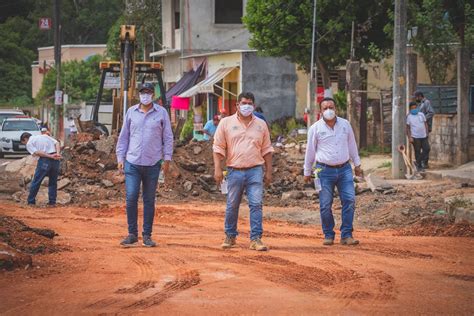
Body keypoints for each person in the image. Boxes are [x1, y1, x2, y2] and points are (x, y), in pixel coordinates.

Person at [213, 92, 274, 251]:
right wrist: (218, 169)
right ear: (237, 105)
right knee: (232, 205)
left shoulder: (261, 124)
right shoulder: (226, 123)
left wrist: (268, 171)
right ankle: (230, 235)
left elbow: (267, 149)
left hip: (255, 170)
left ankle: (256, 239)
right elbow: (218, 147)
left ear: (253, 105)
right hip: (234, 170)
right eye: (244, 103)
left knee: (256, 204)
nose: (247, 106)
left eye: (250, 103)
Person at [116, 82, 174, 248]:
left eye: (149, 92)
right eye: (143, 92)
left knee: (149, 200)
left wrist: (167, 159)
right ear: (139, 94)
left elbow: (168, 137)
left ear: (153, 94)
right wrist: (120, 157)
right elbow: (124, 136)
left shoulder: (162, 113)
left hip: (153, 163)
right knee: (132, 196)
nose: (146, 95)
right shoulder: (131, 112)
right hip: (132, 162)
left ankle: (147, 235)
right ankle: (132, 233)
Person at [304, 97, 362, 246]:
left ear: (336, 109)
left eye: (331, 107)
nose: (329, 110)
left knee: (349, 200)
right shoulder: (315, 128)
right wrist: (307, 171)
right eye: (325, 108)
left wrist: (357, 164)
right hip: (323, 170)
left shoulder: (345, 125)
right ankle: (328, 234)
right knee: (325, 204)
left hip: (344, 169)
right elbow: (310, 151)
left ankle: (347, 235)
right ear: (320, 111)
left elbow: (352, 145)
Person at [20, 132, 62, 206]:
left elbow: (38, 152)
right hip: (56, 160)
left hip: (45, 160)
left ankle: (31, 201)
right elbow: (57, 143)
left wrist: (50, 156)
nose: (25, 144)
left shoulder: (29, 143)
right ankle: (52, 202)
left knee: (36, 181)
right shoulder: (45, 136)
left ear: (25, 139)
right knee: (53, 182)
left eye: (24, 142)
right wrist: (57, 154)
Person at [406, 101, 430, 172]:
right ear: (410, 109)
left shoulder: (421, 114)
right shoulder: (409, 117)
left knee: (427, 149)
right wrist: (409, 137)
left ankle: (417, 162)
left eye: (415, 107)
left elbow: (425, 123)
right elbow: (407, 128)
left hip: (423, 135)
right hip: (415, 137)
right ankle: (419, 167)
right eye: (412, 108)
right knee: (417, 151)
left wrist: (427, 132)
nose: (414, 109)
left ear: (417, 108)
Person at [413, 91, 434, 168]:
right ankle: (422, 163)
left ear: (420, 96)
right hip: (419, 129)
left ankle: (423, 162)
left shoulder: (426, 102)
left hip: (425, 128)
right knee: (420, 147)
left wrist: (422, 119)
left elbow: (431, 113)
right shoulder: (419, 104)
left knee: (426, 148)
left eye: (416, 97)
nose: (415, 99)